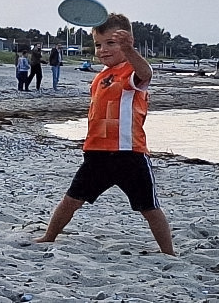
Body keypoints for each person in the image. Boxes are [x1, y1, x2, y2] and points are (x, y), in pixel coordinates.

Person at [33, 13, 175, 256]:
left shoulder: (131, 73)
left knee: (149, 207)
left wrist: (130, 51)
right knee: (71, 200)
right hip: (97, 154)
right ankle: (49, 236)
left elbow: (147, 73)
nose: (103, 49)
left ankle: (169, 252)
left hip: (129, 154)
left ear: (128, 42)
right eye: (99, 44)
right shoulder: (100, 77)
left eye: (111, 43)